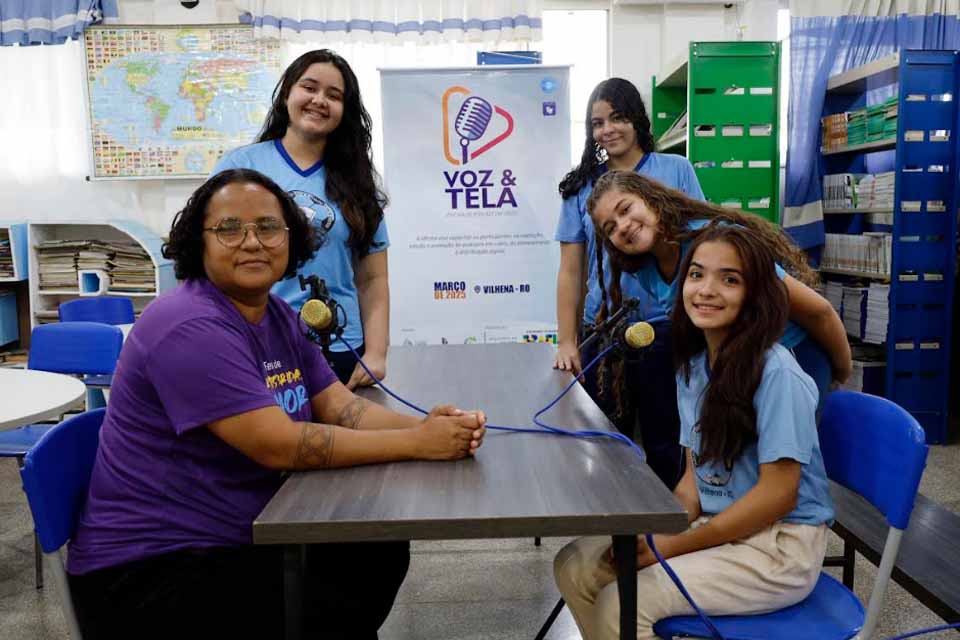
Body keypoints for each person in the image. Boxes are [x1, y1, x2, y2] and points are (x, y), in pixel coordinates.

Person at [66, 169, 487, 640]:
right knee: (355, 568)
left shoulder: (276, 314)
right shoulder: (189, 325)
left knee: (374, 547)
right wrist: (417, 444)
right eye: (229, 228)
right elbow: (280, 445)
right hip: (154, 570)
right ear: (198, 242)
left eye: (268, 227)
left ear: (290, 239)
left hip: (236, 533)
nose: (252, 242)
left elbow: (340, 407)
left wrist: (425, 427)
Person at [554, 223, 835, 640]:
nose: (706, 290)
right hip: (717, 523)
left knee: (623, 603)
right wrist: (654, 534)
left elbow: (779, 495)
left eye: (730, 280)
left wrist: (669, 547)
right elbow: (692, 483)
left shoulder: (777, 373)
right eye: (697, 274)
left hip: (779, 545)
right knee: (575, 565)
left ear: (757, 294)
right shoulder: (694, 367)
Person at [587, 170, 851, 488]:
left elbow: (819, 312)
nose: (623, 226)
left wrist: (842, 369)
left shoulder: (714, 242)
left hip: (793, 356)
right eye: (610, 228)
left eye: (626, 209)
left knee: (779, 474)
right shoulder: (646, 267)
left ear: (651, 200)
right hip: (741, 364)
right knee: (740, 474)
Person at [214, 49, 388, 389]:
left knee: (344, 426)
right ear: (287, 94)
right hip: (258, 344)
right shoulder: (241, 166)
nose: (319, 100)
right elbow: (207, 256)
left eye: (333, 95)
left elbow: (373, 279)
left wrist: (376, 354)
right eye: (309, 88)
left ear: (344, 110)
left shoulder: (358, 180)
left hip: (341, 348)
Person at [553, 77, 704, 431]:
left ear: (637, 118)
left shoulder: (676, 170)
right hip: (603, 332)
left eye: (617, 117)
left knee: (667, 440)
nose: (607, 130)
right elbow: (570, 271)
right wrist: (567, 341)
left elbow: (701, 246)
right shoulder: (580, 186)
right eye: (597, 123)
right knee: (603, 442)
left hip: (666, 329)